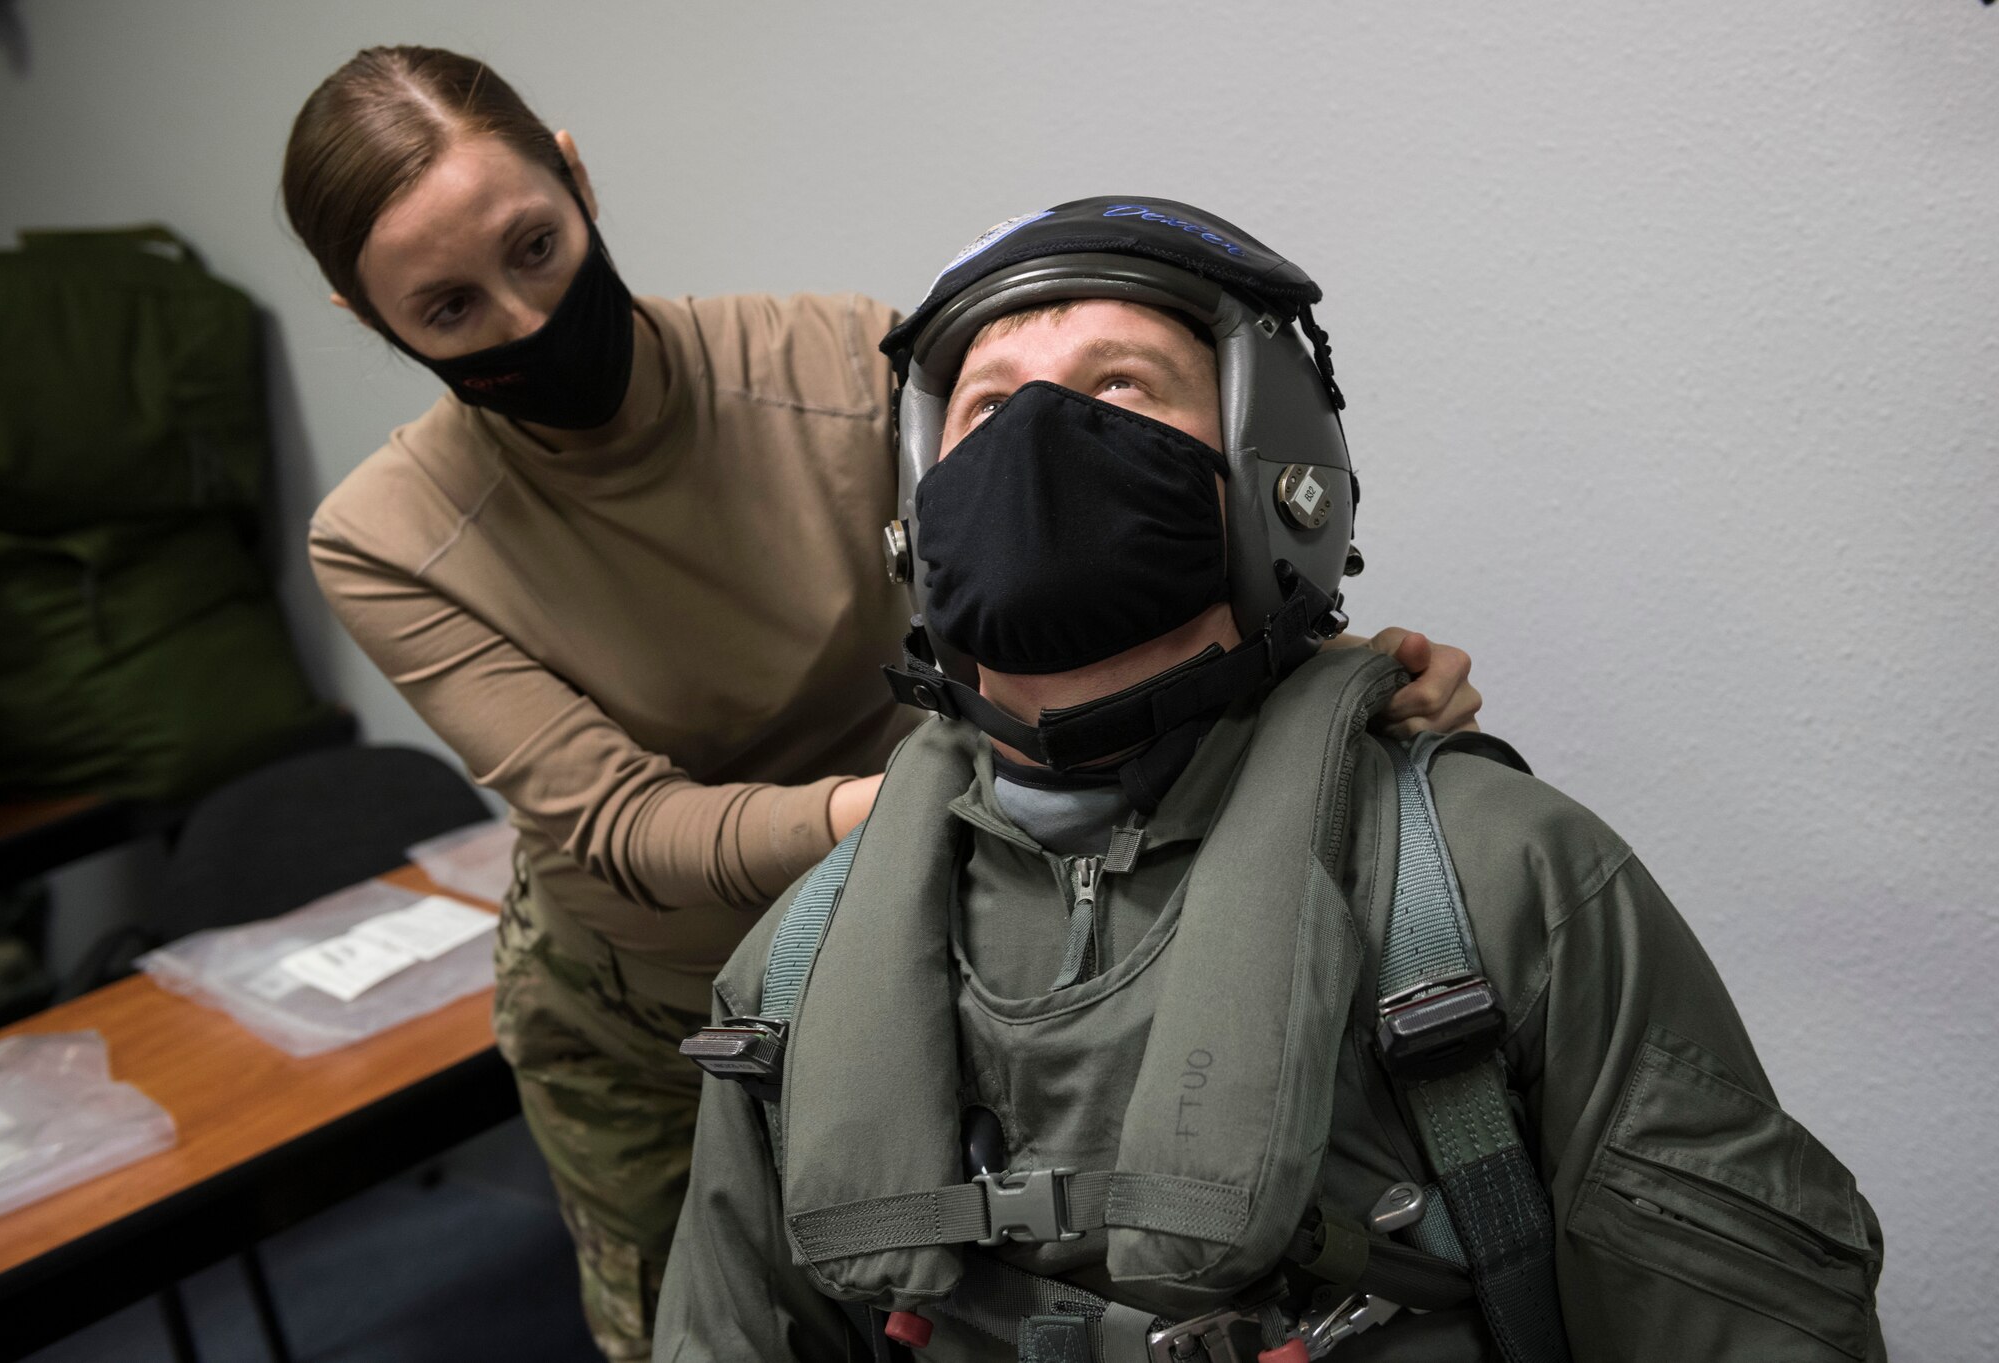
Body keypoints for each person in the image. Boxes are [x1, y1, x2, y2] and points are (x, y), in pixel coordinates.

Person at [280, 51, 1484, 1360]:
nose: (526, 319)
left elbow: (1091, 573)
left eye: (537, 245)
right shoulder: (384, 539)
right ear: (369, 316)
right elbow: (630, 826)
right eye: (450, 307)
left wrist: (1328, 669)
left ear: (576, 175)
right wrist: (944, 798)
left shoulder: (842, 363)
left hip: (911, 924)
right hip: (650, 990)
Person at [653, 198, 1888, 1362]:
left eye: (1118, 386)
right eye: (984, 411)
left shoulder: (1495, 886)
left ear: (1270, 468)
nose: (1035, 436)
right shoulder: (795, 970)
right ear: (921, 517)